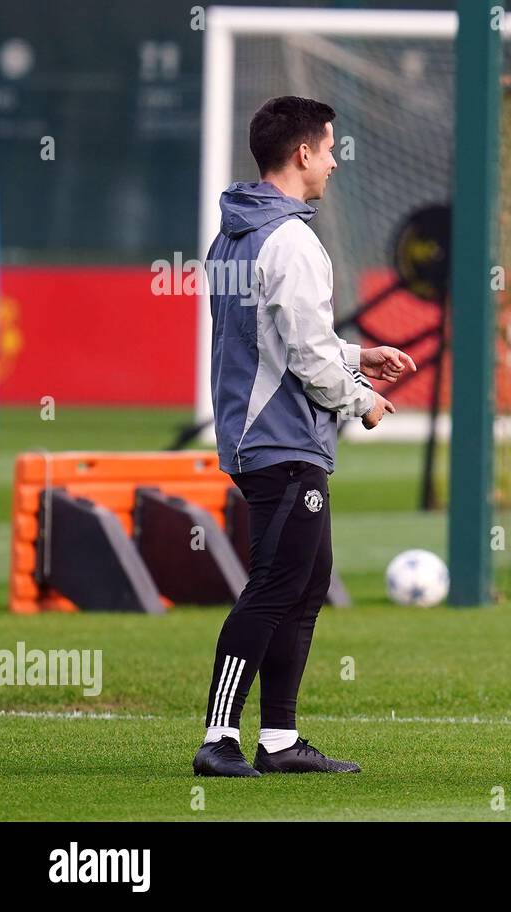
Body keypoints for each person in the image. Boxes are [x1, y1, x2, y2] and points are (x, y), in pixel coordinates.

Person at [193, 96, 415, 777]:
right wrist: (363, 401)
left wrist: (355, 353)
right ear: (301, 155)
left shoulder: (234, 232)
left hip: (256, 432)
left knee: (304, 581)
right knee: (275, 583)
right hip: (282, 440)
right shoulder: (291, 240)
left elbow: (280, 341)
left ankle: (281, 740)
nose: (334, 162)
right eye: (329, 149)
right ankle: (219, 738)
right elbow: (306, 359)